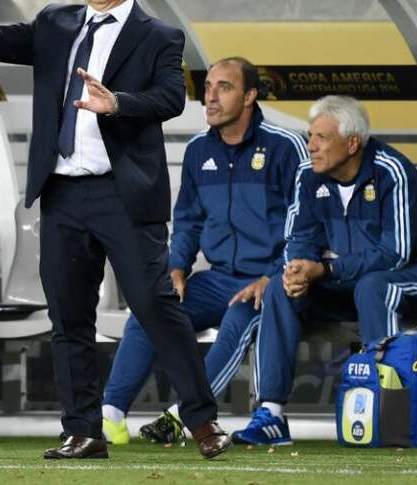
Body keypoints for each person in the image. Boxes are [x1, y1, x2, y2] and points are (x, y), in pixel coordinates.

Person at [0, 0, 231, 460]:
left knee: (155, 305)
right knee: (68, 317)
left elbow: (171, 98)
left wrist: (118, 103)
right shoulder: (55, 23)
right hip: (62, 194)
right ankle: (83, 431)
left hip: (122, 194)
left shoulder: (159, 35)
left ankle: (203, 422)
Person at [101, 57, 307, 445]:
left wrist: (275, 274)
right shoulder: (198, 150)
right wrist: (177, 268)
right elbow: (189, 221)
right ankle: (110, 414)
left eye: (224, 88)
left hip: (272, 280)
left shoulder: (285, 147)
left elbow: (306, 223)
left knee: (238, 317)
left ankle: (185, 415)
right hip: (218, 278)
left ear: (249, 95)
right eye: (208, 88)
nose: (211, 97)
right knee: (152, 304)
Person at [233, 95, 417, 445]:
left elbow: (394, 255)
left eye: (321, 138)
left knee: (376, 286)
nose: (311, 146)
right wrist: (297, 270)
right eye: (310, 136)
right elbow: (300, 236)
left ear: (353, 143)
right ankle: (271, 415)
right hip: (354, 281)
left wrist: (324, 270)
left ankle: (390, 410)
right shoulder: (308, 174)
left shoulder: (391, 170)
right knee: (279, 287)